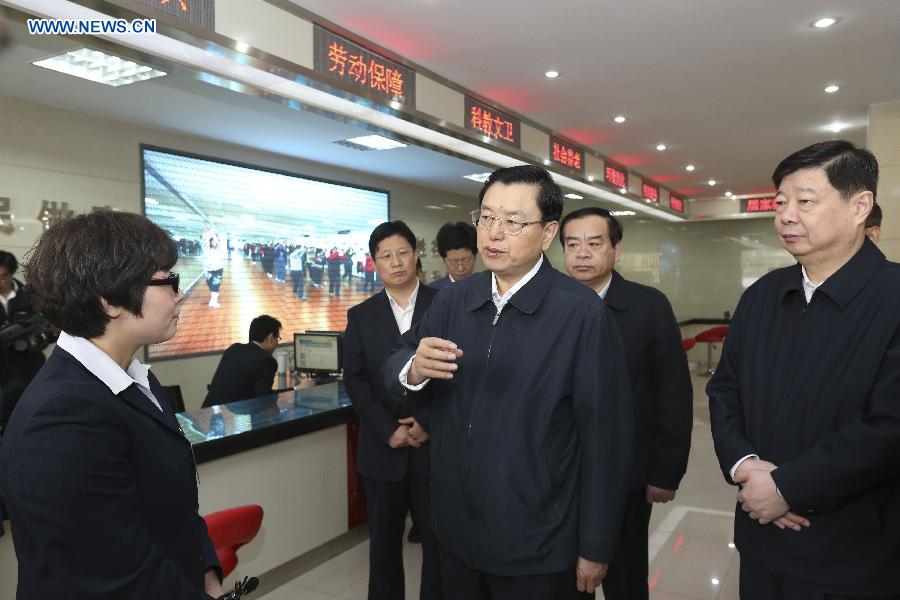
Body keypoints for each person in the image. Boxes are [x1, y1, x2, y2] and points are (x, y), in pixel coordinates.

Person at [383, 165, 633, 600]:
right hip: (456, 535)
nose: (494, 233)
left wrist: (595, 544)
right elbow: (395, 361)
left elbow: (605, 441)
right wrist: (415, 368)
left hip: (539, 543)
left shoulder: (581, 315)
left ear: (548, 232)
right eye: (487, 217)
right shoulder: (455, 300)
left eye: (513, 221)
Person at [708, 140, 900, 598]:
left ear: (860, 206)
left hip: (855, 552)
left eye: (805, 202)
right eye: (780, 203)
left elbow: (888, 427)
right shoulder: (763, 294)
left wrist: (789, 487)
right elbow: (724, 390)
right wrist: (748, 468)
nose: (786, 216)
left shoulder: (893, 298)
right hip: (759, 538)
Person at [0, 211, 223, 598]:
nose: (178, 292)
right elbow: (121, 578)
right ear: (109, 301)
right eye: (166, 281)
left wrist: (206, 571)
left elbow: (175, 509)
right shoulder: (61, 418)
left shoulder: (137, 379)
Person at [560, 208, 693, 600]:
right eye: (572, 244)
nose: (582, 253)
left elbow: (673, 393)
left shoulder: (648, 306)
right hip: (563, 475)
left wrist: (666, 472)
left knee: (625, 574)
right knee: (566, 577)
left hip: (628, 474)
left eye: (594, 243)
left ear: (616, 250)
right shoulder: (552, 305)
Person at [343, 221, 441, 600]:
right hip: (383, 450)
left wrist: (428, 422)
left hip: (435, 449)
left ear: (416, 254)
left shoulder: (445, 304)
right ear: (374, 263)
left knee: (439, 545)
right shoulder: (361, 316)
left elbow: (459, 375)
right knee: (383, 548)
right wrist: (389, 429)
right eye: (386, 256)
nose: (396, 262)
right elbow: (356, 379)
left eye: (403, 252)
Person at [203, 314, 282, 408]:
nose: (277, 342)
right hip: (235, 418)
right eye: (277, 338)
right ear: (270, 337)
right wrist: (292, 391)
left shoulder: (234, 349)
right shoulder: (267, 360)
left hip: (208, 413)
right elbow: (265, 399)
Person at [430, 221, 477, 289]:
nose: (460, 268)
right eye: (453, 262)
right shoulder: (431, 293)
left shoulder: (489, 290)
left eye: (466, 260)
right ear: (444, 259)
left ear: (475, 257)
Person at [202, 228, 226, 307]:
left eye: (215, 241)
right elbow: (204, 241)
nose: (214, 242)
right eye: (212, 241)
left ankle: (213, 301)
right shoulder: (206, 249)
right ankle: (214, 296)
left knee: (215, 285)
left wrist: (213, 232)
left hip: (218, 270)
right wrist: (207, 233)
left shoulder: (220, 249)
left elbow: (218, 241)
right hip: (208, 270)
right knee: (210, 284)